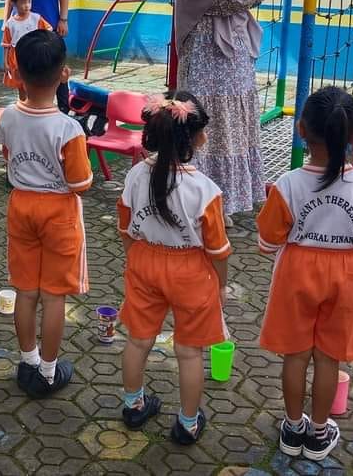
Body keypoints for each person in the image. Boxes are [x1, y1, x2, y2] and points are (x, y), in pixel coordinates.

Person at [256, 87, 353, 462]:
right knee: (329, 359)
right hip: (346, 275)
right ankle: (318, 433)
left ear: (301, 129)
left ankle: (292, 427)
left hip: (296, 271)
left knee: (295, 356)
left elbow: (268, 242)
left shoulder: (287, 184)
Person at [116, 92, 230, 445]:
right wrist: (221, 285)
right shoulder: (205, 190)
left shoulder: (135, 175)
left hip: (144, 261)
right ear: (194, 138)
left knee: (138, 340)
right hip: (190, 272)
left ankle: (133, 406)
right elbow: (218, 250)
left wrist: (136, 259)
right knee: (189, 351)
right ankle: (187, 424)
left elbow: (125, 227)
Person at [0, 29, 92, 397]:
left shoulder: (7, 117)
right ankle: (49, 373)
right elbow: (80, 183)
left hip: (21, 205)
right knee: (54, 296)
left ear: (18, 73)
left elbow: (8, 157)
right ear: (64, 74)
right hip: (58, 211)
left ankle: (28, 362)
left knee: (25, 291)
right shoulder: (69, 128)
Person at [172, 0, 285, 222]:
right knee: (208, 137)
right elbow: (232, 0)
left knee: (232, 135)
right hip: (207, 79)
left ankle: (224, 202)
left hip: (234, 76)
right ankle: (201, 204)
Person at [1, 0, 52, 100]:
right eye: (23, 2)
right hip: (17, 58)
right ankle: (23, 103)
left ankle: (35, 103)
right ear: (14, 3)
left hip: (34, 55)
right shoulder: (10, 23)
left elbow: (48, 30)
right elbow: (6, 44)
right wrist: (5, 62)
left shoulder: (36, 18)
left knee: (35, 81)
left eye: (29, 1)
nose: (27, 5)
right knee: (21, 84)